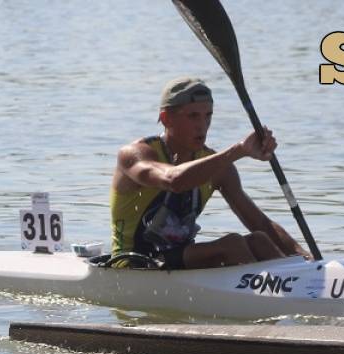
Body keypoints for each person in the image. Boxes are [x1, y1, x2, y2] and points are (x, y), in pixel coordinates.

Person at [109, 77, 309, 269]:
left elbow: (260, 223)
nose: (202, 125)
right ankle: (267, 290)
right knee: (233, 244)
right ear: (166, 118)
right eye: (193, 116)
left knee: (260, 240)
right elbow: (174, 180)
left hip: (178, 259)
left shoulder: (217, 166)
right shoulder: (134, 155)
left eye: (208, 115)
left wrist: (307, 259)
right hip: (133, 263)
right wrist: (239, 151)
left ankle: (299, 282)